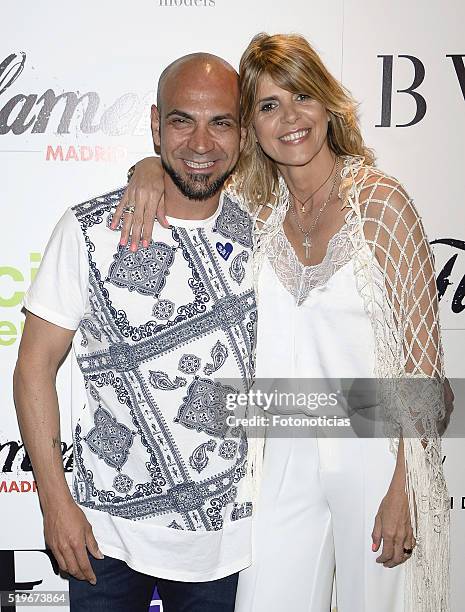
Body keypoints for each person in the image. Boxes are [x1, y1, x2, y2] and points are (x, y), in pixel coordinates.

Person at [112, 33, 451, 612]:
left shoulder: (382, 204)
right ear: (251, 128)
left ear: (328, 105)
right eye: (269, 106)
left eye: (302, 98)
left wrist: (405, 487)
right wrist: (146, 166)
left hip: (373, 454)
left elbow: (424, 369)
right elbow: (194, 171)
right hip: (278, 461)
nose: (289, 118)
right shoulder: (255, 211)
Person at [13, 53, 258, 612]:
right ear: (154, 124)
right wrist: (55, 503)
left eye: (220, 122)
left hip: (224, 548)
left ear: (242, 134)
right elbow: (34, 368)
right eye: (181, 121)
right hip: (103, 537)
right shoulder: (88, 229)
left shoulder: (266, 238)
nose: (201, 142)